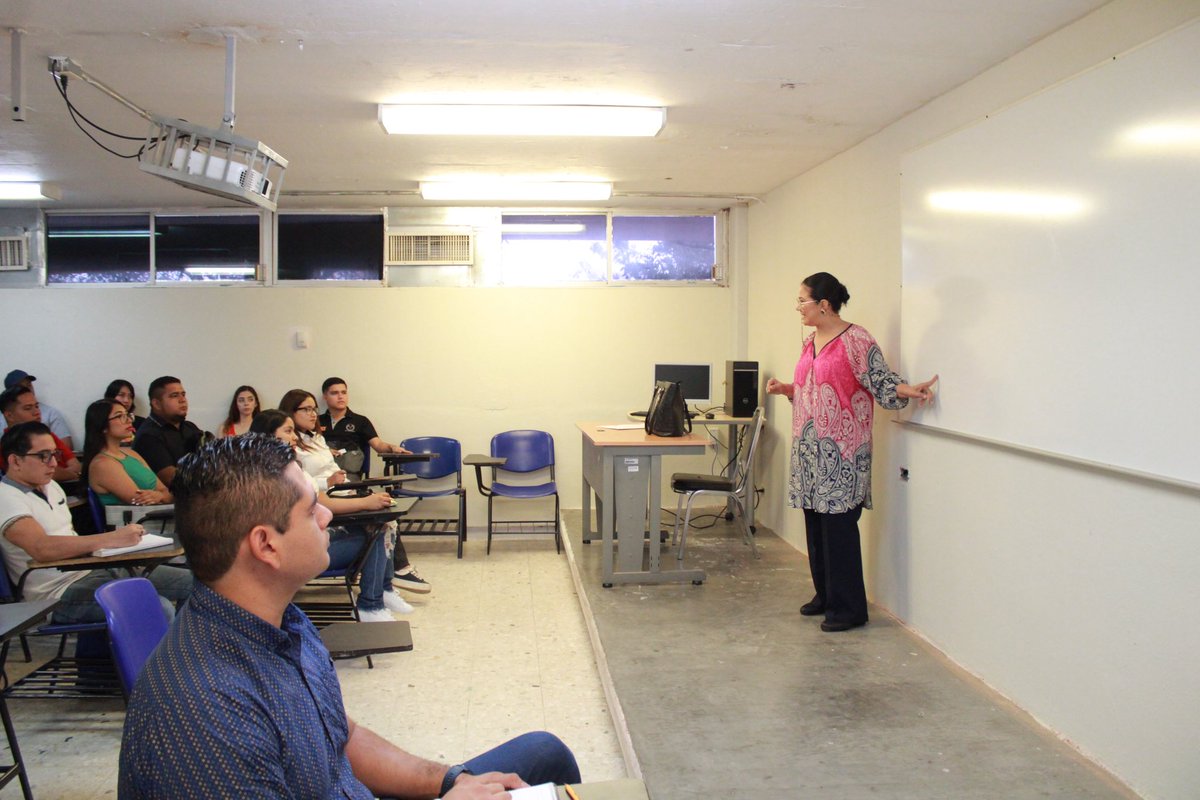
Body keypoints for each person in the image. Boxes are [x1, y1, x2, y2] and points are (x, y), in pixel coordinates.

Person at [118, 434, 580, 798]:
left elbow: (340, 736)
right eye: (309, 508)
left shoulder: (284, 622)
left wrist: (451, 780)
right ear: (266, 545)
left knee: (545, 754)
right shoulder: (206, 709)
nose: (326, 516)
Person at [766, 272, 937, 633]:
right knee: (815, 527)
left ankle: (849, 609)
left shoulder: (856, 340)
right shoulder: (810, 340)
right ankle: (826, 595)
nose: (798, 307)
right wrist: (786, 388)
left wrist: (909, 389)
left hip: (843, 453)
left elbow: (881, 380)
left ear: (824, 305)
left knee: (839, 531)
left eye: (802, 301)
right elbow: (811, 386)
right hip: (810, 451)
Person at [0, 421, 191, 623]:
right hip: (57, 591)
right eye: (43, 456)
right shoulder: (6, 497)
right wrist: (112, 539)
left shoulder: (51, 487)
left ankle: (181, 650)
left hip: (91, 569)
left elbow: (68, 539)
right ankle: (157, 653)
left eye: (54, 455)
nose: (54, 464)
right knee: (155, 608)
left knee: (195, 583)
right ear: (15, 461)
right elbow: (41, 548)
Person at [250, 409, 411, 621]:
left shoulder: (281, 466)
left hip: (303, 541)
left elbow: (318, 502)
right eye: (288, 431)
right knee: (377, 533)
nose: (294, 437)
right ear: (269, 436)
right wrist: (365, 503)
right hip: (295, 552)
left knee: (378, 525)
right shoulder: (277, 473)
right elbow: (321, 503)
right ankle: (371, 606)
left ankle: (382, 592)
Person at [320, 377, 430, 594]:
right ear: (325, 396)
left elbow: (378, 445)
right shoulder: (316, 422)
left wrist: (392, 448)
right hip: (323, 483)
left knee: (387, 510)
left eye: (344, 392)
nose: (341, 396)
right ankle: (384, 574)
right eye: (334, 393)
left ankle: (399, 570)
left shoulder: (359, 421)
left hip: (352, 480)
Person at [82, 399, 172, 507]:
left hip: (160, 513)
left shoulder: (131, 453)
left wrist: (160, 496)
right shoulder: (102, 464)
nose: (129, 420)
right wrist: (161, 496)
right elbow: (139, 501)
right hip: (139, 520)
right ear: (103, 426)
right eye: (120, 416)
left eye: (128, 415)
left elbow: (167, 492)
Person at [0, 385, 82, 484]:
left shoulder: (46, 435)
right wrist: (73, 474)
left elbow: (75, 464)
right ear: (9, 415)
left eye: (37, 406)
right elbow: (42, 473)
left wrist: (68, 473)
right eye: (28, 408)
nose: (37, 412)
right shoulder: (6, 446)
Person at [133, 375, 205, 485]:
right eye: (174, 395)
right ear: (156, 404)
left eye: (183, 394)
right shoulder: (148, 435)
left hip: (198, 492)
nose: (182, 400)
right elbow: (171, 478)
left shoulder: (189, 427)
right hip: (169, 498)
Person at [4, 370, 73, 449]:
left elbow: (66, 448)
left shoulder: (50, 413)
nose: (27, 389)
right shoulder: (3, 419)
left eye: (29, 385)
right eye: (20, 387)